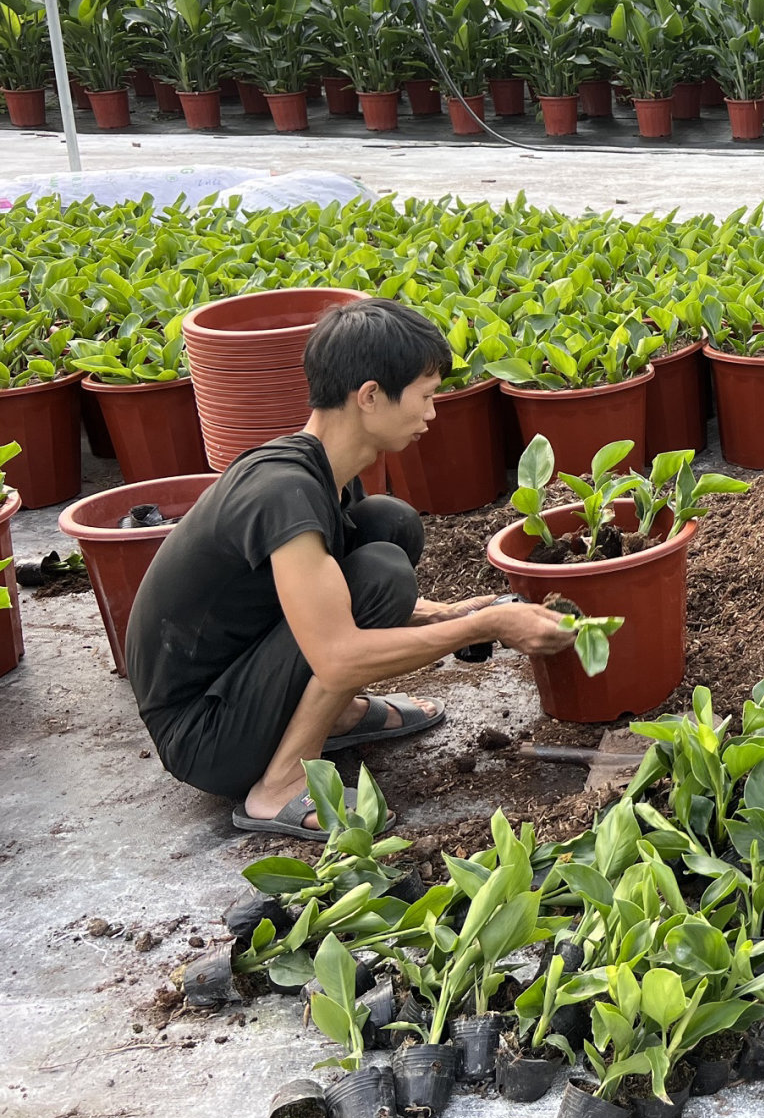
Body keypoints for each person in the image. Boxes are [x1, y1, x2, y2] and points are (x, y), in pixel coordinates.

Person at [126, 298, 571, 838]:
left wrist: (449, 613)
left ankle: (337, 716)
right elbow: (336, 655)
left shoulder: (325, 472)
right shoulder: (283, 493)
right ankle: (280, 784)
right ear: (370, 396)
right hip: (205, 736)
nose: (432, 414)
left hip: (235, 683)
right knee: (381, 572)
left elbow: (320, 600)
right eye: (426, 396)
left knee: (387, 524)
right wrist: (486, 626)